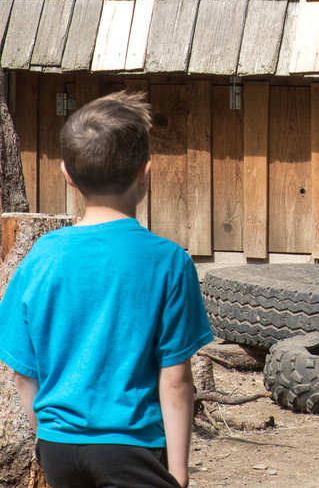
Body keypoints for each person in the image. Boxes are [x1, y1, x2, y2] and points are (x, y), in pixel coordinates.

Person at [0, 91, 214, 488]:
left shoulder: (41, 256)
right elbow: (176, 379)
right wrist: (179, 472)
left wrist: (47, 437)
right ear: (145, 173)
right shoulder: (169, 261)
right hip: (132, 445)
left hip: (57, 447)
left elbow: (22, 375)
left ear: (66, 173)